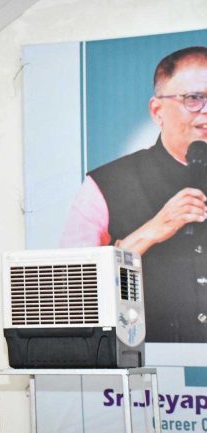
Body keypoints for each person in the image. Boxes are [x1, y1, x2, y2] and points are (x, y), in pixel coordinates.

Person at [61, 46, 207, 343]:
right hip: (147, 362)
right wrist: (150, 232)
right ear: (157, 111)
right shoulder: (106, 184)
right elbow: (70, 289)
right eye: (194, 98)